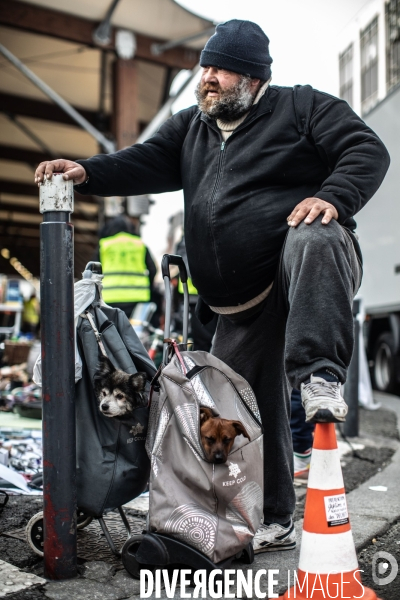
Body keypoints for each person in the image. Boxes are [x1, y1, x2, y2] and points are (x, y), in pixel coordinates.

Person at [34, 19, 390, 554]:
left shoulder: (302, 108)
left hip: (303, 271)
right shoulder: (192, 128)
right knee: (236, 410)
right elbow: (145, 161)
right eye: (205, 67)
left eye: (221, 69)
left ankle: (319, 376)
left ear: (252, 77)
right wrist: (88, 172)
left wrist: (334, 196)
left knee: (314, 230)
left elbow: (367, 149)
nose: (209, 78)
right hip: (240, 304)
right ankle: (272, 518)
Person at [95, 215, 157, 318]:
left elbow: (93, 272)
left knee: (112, 331)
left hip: (110, 298)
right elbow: (153, 269)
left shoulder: (104, 245)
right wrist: (146, 286)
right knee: (136, 331)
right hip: (138, 297)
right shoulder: (140, 245)